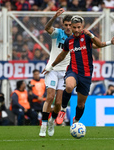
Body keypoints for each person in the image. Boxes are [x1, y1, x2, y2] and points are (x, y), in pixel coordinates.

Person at [43, 15, 114, 126]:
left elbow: (99, 44)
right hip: (73, 70)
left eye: (78, 27)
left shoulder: (87, 36)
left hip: (86, 73)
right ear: (71, 27)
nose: (76, 30)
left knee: (81, 104)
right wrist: (51, 67)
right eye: (74, 27)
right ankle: (63, 109)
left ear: (82, 27)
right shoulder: (68, 41)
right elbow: (62, 56)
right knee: (69, 86)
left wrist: (109, 41)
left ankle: (76, 121)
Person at [39, 8, 72, 137]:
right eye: (66, 25)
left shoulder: (76, 38)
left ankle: (52, 120)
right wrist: (54, 17)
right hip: (52, 70)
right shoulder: (58, 33)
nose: (68, 27)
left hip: (65, 72)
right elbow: (47, 28)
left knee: (58, 103)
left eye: (70, 25)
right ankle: (44, 125)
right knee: (50, 97)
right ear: (63, 25)